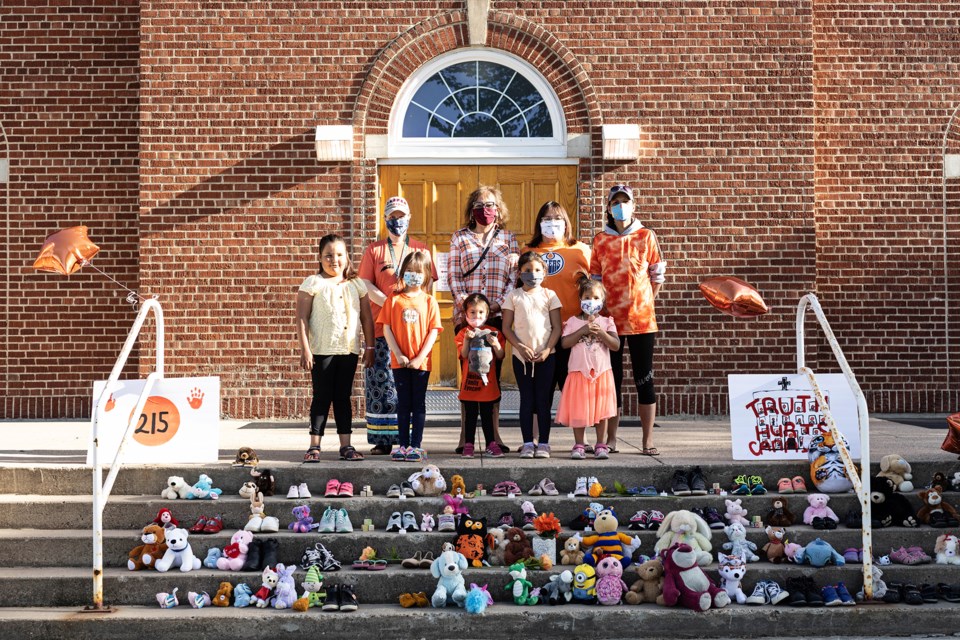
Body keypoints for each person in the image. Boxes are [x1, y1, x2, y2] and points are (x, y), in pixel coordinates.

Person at [358, 196, 438, 455]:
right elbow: (366, 284)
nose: (397, 221)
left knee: (410, 391)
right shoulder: (374, 251)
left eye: (401, 216)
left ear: (409, 217)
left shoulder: (422, 249)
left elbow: (429, 285)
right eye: (392, 217)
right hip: (385, 328)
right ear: (385, 219)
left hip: (414, 330)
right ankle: (383, 441)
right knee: (383, 384)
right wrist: (391, 304)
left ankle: (411, 442)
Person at [590, 184, 666, 456]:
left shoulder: (646, 236)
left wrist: (644, 300)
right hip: (609, 322)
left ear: (634, 205)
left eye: (625, 201)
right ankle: (611, 439)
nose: (620, 206)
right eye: (615, 202)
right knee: (612, 380)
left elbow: (657, 275)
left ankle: (647, 440)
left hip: (642, 322)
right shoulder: (600, 240)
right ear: (609, 209)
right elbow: (595, 280)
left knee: (644, 379)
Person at [447, 186, 520, 453]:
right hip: (468, 320)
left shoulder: (509, 239)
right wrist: (469, 309)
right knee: (470, 378)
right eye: (479, 204)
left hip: (497, 318)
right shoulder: (459, 238)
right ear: (472, 209)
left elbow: (515, 278)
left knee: (492, 378)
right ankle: (464, 437)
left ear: (498, 209)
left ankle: (494, 436)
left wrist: (496, 306)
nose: (484, 209)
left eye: (490, 204)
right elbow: (453, 278)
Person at [296, 233, 375, 462]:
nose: (334, 260)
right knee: (321, 397)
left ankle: (346, 445)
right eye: (328, 255)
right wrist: (305, 349)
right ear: (320, 258)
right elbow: (302, 318)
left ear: (347, 257)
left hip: (348, 350)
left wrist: (369, 347)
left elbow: (367, 319)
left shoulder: (356, 284)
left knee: (343, 397)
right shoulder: (313, 283)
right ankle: (314, 446)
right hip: (322, 350)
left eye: (340, 255)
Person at [524, 200, 591, 441]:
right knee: (538, 392)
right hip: (539, 333)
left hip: (572, 331)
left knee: (573, 388)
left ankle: (579, 443)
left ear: (566, 222)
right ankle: (532, 441)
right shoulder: (528, 251)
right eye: (546, 219)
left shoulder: (580, 250)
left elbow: (594, 287)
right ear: (539, 223)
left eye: (557, 219)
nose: (552, 224)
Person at [376, 250, 442, 462]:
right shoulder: (393, 300)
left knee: (418, 403)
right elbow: (387, 329)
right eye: (409, 271)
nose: (414, 275)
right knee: (403, 403)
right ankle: (402, 444)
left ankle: (416, 445)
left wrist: (420, 357)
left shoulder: (430, 301)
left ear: (426, 275)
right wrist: (398, 353)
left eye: (418, 272)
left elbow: (433, 332)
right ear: (403, 273)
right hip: (399, 362)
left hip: (421, 363)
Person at [501, 251, 562, 458]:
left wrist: (547, 349)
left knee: (543, 400)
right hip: (522, 358)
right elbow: (506, 327)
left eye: (537, 270)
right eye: (527, 270)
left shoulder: (550, 295)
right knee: (527, 399)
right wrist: (519, 347)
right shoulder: (514, 296)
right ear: (520, 273)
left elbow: (556, 328)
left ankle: (543, 443)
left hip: (547, 356)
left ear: (544, 272)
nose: (532, 274)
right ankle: (528, 442)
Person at [556, 274, 619, 459]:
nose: (591, 301)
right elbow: (565, 343)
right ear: (580, 299)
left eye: (596, 298)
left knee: (602, 410)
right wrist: (583, 330)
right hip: (579, 372)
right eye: (587, 298)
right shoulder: (573, 322)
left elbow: (615, 345)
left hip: (601, 373)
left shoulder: (607, 322)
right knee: (579, 409)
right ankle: (579, 444)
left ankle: (601, 444)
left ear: (603, 300)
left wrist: (602, 333)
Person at [454, 293, 506, 458]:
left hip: (487, 384)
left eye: (481, 313)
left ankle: (491, 443)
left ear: (487, 313)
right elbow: (462, 354)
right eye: (473, 313)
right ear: (466, 314)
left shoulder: (494, 332)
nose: (477, 316)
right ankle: (468, 444)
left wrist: (496, 343)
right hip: (470, 383)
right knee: (470, 414)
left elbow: (501, 355)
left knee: (487, 414)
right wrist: (468, 341)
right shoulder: (463, 333)